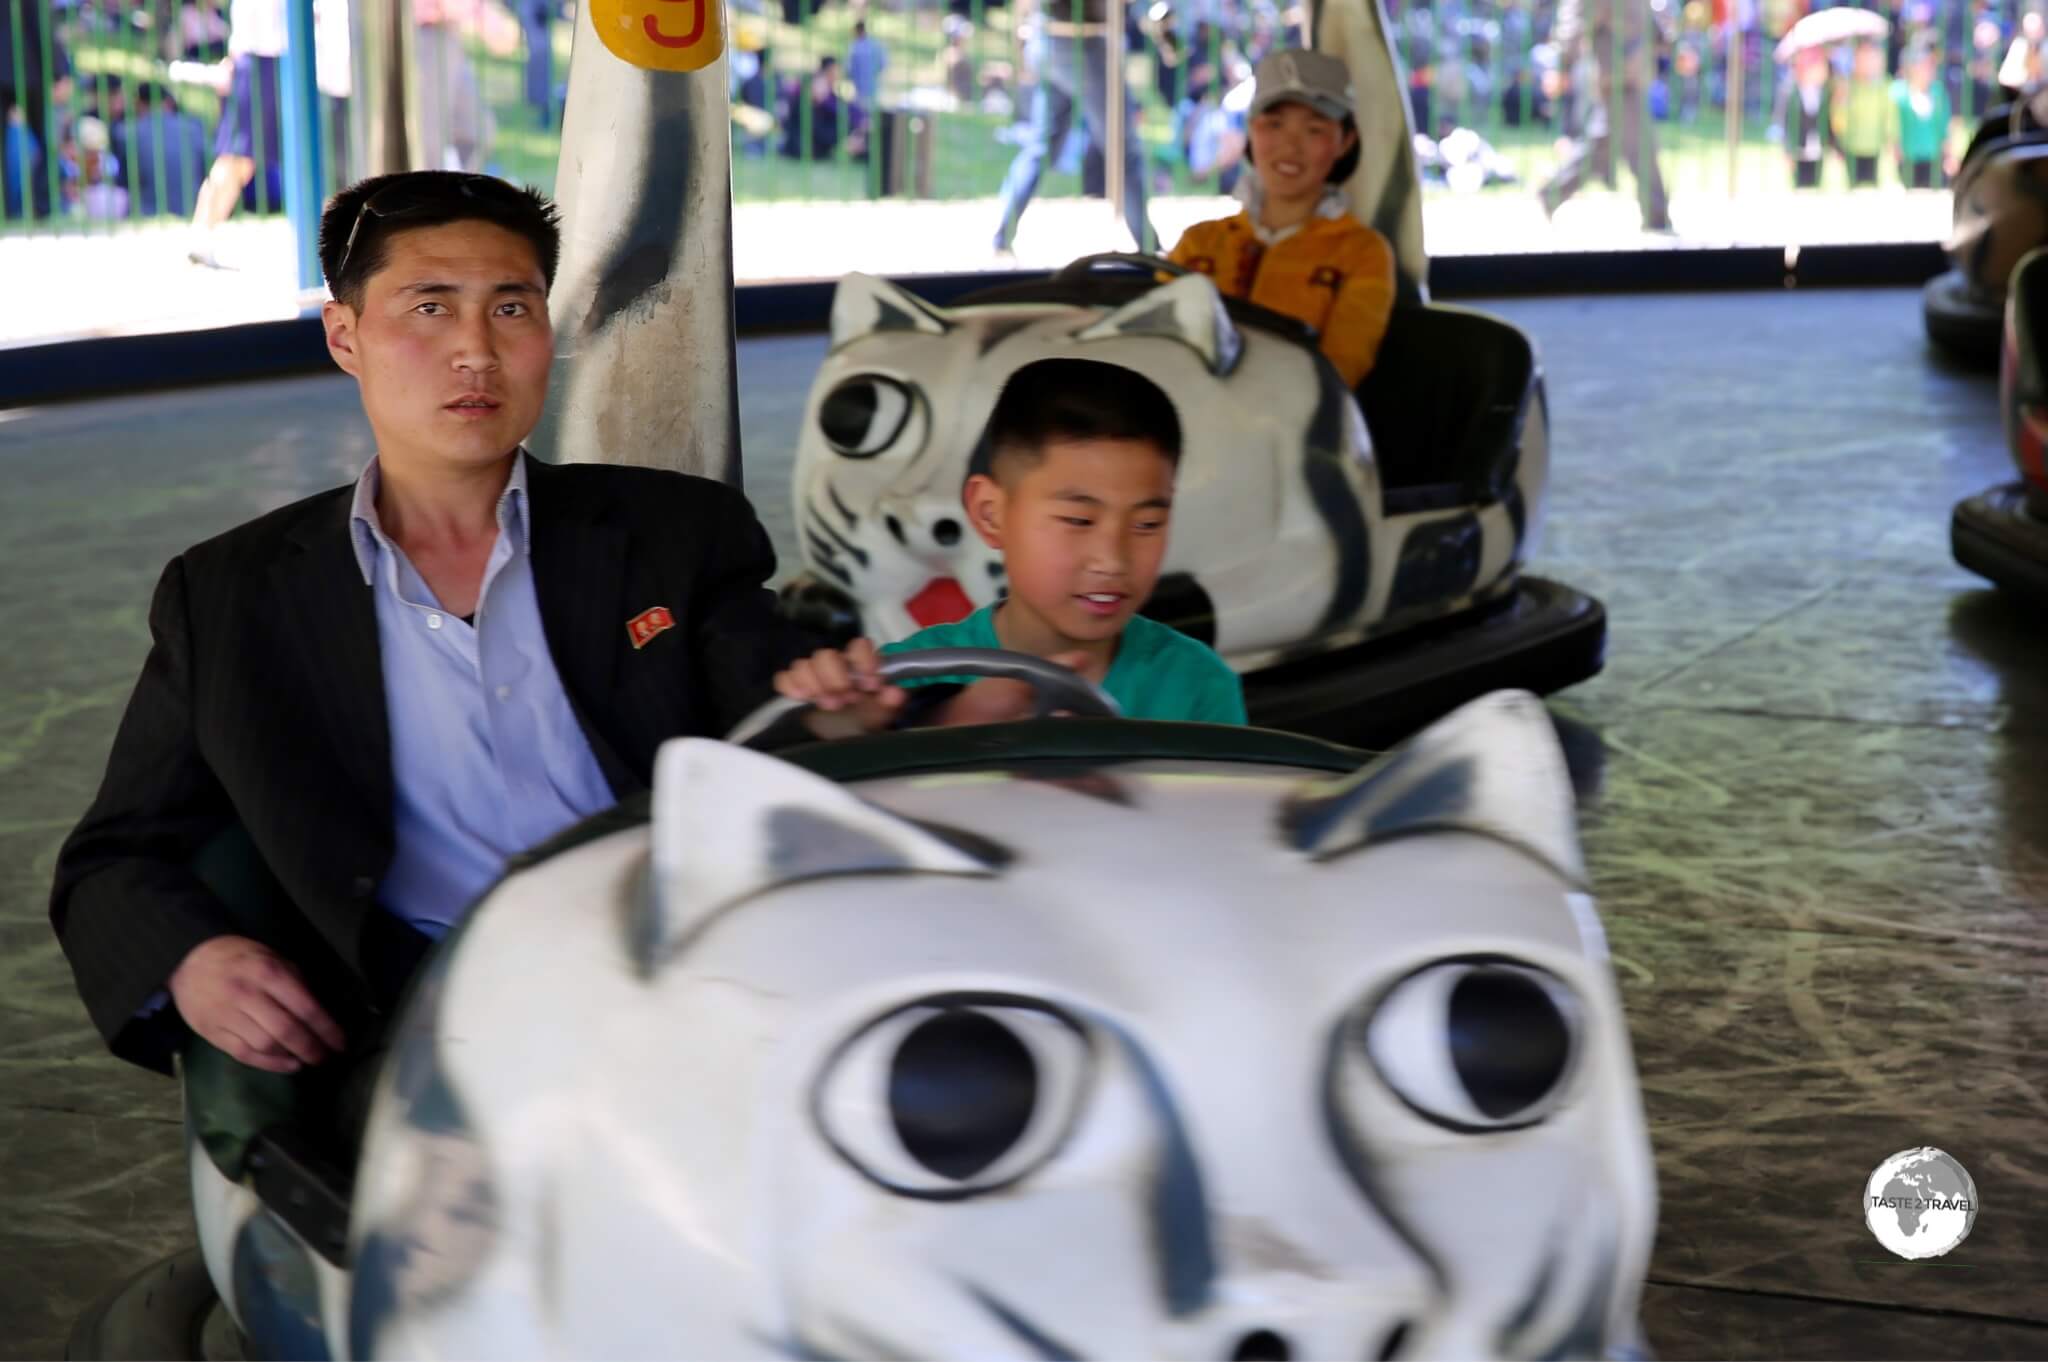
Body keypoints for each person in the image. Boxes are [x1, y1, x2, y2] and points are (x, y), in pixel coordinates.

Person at [50, 172, 804, 1137]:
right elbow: (114, 857)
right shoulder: (234, 598)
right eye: (430, 307)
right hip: (430, 1021)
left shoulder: (672, 536)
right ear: (345, 337)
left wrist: (850, 707)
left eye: (512, 308)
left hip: (701, 974)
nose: (476, 351)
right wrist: (193, 960)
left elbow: (783, 715)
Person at [774, 358, 1246, 729]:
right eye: (1078, 519)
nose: (1113, 559)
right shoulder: (906, 679)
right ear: (990, 513)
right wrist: (839, 720)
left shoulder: (1197, 685)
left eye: (1146, 524)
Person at [1166, 49, 1396, 390]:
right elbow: (1157, 345)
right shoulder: (1197, 243)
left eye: (1314, 129)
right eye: (1273, 124)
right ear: (1249, 131)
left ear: (1345, 142)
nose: (1289, 146)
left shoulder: (1362, 254)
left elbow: (1338, 372)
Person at [992, 0, 1155, 256]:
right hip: (1083, 45)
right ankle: (1150, 248)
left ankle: (1002, 235)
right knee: (1124, 152)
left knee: (1041, 148)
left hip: (1045, 41)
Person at [1536, 0, 1673, 231]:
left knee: (1602, 144)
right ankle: (1656, 216)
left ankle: (1552, 193)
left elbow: (1644, 18)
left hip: (1631, 73)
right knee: (1642, 146)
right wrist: (1562, 67)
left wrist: (1666, 42)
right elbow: (1574, 24)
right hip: (1615, 77)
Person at [187, 0, 287, 267]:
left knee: (240, 161)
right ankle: (201, 235)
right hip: (260, 58)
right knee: (237, 159)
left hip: (278, 58)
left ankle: (201, 236)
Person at [1892, 38, 1953, 188]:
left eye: (1931, 65)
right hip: (1907, 162)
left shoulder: (1938, 92)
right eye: (1924, 65)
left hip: (1933, 162)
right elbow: (1892, 128)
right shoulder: (1898, 92)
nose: (1929, 69)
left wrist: (1949, 157)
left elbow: (1945, 127)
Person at [1832, 39, 1890, 188]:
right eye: (1863, 58)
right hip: (1852, 148)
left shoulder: (1884, 86)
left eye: (1872, 58)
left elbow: (1889, 117)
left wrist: (1890, 139)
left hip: (1876, 148)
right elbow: (1838, 122)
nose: (1868, 64)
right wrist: (1841, 101)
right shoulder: (1847, 86)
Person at [1779, 46, 1835, 189]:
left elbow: (1828, 123)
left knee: (1816, 185)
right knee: (1799, 185)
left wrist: (1835, 147)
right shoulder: (1790, 93)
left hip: (1817, 148)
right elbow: (1784, 123)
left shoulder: (1825, 93)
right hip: (1798, 149)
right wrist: (1787, 150)